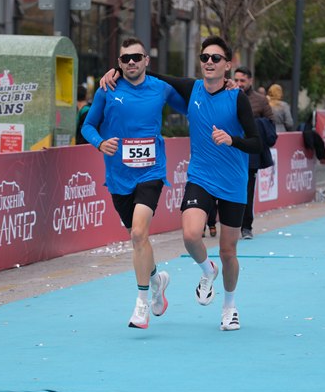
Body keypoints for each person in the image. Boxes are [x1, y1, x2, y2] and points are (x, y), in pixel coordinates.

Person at [102, 35, 263, 331]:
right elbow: (150, 73)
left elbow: (257, 143)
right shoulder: (193, 89)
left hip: (233, 181)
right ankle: (207, 270)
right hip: (200, 176)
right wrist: (115, 71)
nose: (209, 62)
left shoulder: (236, 97)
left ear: (227, 65)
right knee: (190, 235)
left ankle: (229, 307)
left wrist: (232, 140)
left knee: (228, 251)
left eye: (216, 58)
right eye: (204, 57)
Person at [81, 37, 186, 329]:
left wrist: (225, 91)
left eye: (136, 57)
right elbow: (88, 125)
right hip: (119, 176)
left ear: (146, 61)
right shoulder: (108, 89)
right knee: (137, 238)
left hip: (151, 172)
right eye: (125, 58)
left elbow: (194, 106)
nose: (131, 62)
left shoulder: (161, 88)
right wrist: (100, 143)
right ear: (118, 63)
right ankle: (156, 281)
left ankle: (141, 305)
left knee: (139, 233)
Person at [234, 66, 274, 240]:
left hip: (250, 154)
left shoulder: (261, 100)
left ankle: (246, 227)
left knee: (248, 190)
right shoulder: (227, 96)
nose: (239, 83)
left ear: (250, 80)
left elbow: (271, 124)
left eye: (242, 80)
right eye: (236, 80)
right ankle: (227, 225)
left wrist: (255, 126)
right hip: (230, 151)